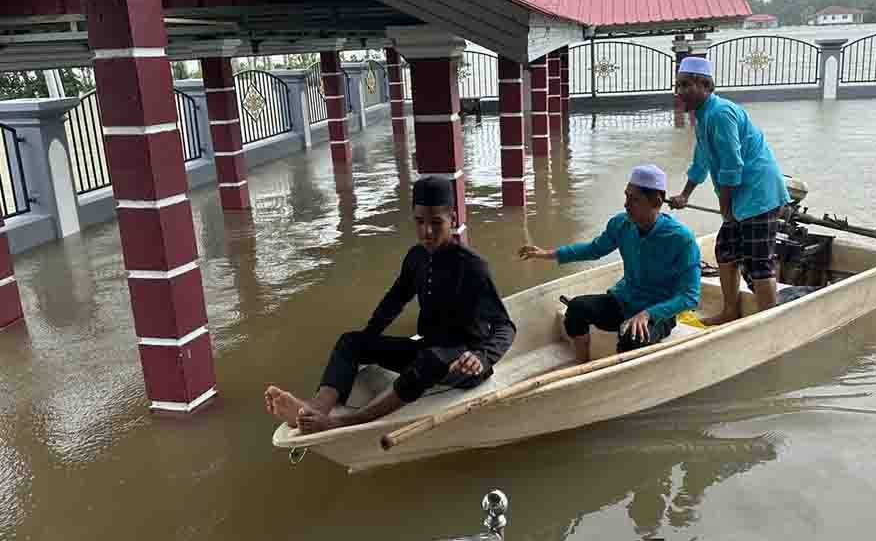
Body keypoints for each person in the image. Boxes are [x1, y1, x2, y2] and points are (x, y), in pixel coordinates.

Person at [265, 176, 515, 433]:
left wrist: (481, 358)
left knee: (431, 359)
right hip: (426, 349)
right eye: (420, 222)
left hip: (463, 362)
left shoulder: (473, 267)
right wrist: (367, 346)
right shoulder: (416, 257)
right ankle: (315, 409)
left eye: (436, 223)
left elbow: (505, 326)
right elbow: (393, 302)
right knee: (351, 342)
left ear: (452, 219)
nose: (426, 232)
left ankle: (342, 422)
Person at [519, 165, 701, 364]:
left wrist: (649, 314)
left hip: (658, 312)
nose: (626, 204)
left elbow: (690, 296)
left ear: (656, 202)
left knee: (633, 338)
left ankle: (618, 378)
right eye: (626, 196)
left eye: (634, 199)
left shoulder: (682, 239)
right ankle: (582, 365)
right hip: (623, 300)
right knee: (576, 308)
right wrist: (549, 254)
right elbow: (593, 249)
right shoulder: (621, 224)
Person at [668, 57, 791, 325]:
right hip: (740, 197)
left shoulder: (721, 113)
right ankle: (730, 311)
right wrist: (685, 194)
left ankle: (770, 324)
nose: (681, 92)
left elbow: (732, 166)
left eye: (687, 85)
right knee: (725, 250)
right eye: (679, 85)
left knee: (759, 261)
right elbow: (702, 160)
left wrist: (726, 206)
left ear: (707, 85)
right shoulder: (703, 118)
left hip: (759, 195)